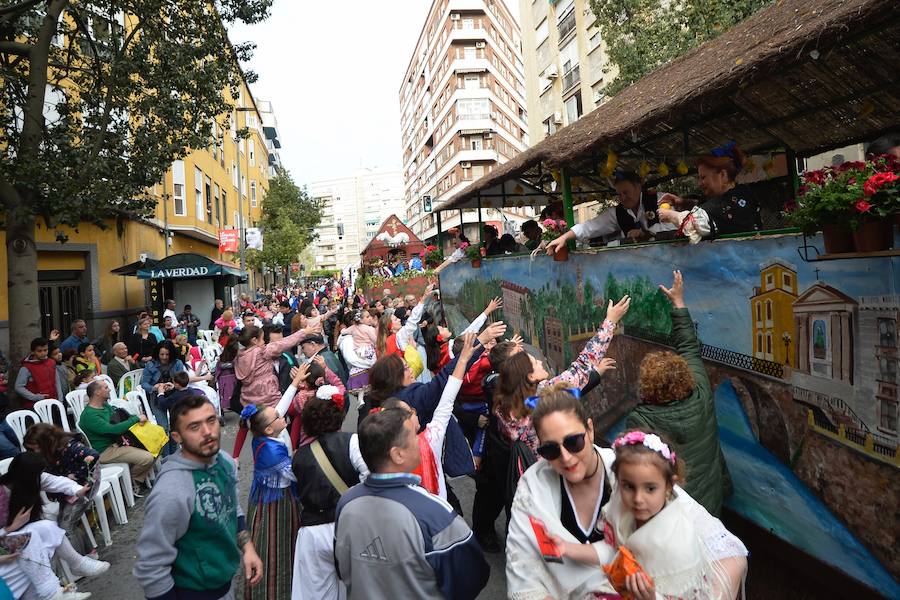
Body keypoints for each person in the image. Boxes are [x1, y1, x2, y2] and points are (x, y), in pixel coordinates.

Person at [472, 297, 627, 550]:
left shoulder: (506, 406)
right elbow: (582, 365)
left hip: (533, 480)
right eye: (533, 363)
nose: (540, 361)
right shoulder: (539, 400)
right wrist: (610, 322)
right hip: (555, 476)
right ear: (529, 377)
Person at [334, 408, 490, 599]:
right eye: (415, 436)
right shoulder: (434, 512)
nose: (420, 440)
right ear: (397, 454)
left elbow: (342, 567)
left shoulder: (346, 502)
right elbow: (471, 577)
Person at [134, 395, 263, 600]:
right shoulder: (171, 491)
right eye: (194, 427)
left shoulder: (225, 461)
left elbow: (232, 508)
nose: (207, 432)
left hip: (225, 586)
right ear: (177, 437)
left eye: (211, 421)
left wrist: (247, 548)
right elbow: (152, 567)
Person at [626, 271, 731, 516]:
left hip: (672, 512)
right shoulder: (702, 392)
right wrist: (679, 303)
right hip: (710, 504)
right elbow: (689, 347)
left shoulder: (641, 420)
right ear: (686, 376)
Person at [599, 430, 747, 600]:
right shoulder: (622, 510)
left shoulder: (680, 547)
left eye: (650, 489)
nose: (638, 499)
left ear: (669, 486)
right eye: (629, 487)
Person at [505, 386, 619, 599]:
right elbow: (522, 569)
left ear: (590, 430)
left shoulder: (629, 474)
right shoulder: (532, 490)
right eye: (550, 450)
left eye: (573, 442)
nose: (566, 458)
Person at [374, 333, 475, 501]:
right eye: (410, 412)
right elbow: (447, 389)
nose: (411, 370)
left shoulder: (387, 406)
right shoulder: (427, 439)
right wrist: (465, 357)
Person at [0, 453, 109, 600]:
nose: (40, 477)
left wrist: (77, 490)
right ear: (27, 475)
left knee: (47, 526)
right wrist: (10, 528)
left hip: (13, 536)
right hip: (5, 540)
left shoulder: (29, 480)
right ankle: (52, 593)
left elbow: (55, 482)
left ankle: (77, 563)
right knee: (30, 536)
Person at [290, 395, 366, 600]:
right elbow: (369, 477)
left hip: (312, 534)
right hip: (348, 527)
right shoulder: (352, 441)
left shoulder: (299, 456)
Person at [241, 401, 300, 600]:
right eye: (277, 416)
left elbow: (277, 412)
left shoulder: (263, 438)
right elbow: (295, 475)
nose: (281, 415)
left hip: (266, 499)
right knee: (275, 551)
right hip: (276, 504)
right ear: (268, 428)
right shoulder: (272, 452)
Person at [545, 171, 678, 256]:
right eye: (619, 194)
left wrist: (645, 233)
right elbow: (589, 227)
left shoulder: (660, 200)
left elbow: (674, 228)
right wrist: (563, 238)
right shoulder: (617, 212)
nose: (623, 197)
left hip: (671, 258)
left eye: (626, 192)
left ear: (638, 187)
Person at [232, 324, 311, 461]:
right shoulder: (262, 352)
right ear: (255, 341)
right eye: (265, 341)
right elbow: (285, 343)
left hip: (252, 403)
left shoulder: (240, 357)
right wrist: (304, 332)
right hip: (271, 401)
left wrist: (235, 456)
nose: (277, 345)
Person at [22, 424, 100, 553]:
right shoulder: (47, 452)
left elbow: (93, 456)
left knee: (66, 526)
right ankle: (90, 552)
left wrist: (76, 475)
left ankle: (81, 561)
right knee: (64, 523)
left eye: (35, 448)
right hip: (66, 490)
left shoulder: (70, 446)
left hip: (83, 487)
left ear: (46, 442)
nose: (34, 452)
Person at [660, 142, 762, 236]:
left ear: (723, 175)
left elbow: (695, 223)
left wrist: (670, 215)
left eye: (703, 177)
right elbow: (710, 207)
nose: (700, 184)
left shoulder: (733, 201)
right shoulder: (739, 195)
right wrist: (682, 202)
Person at [78, 380, 155, 495]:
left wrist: (135, 417)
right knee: (148, 457)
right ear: (97, 393)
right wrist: (136, 419)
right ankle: (133, 480)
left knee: (156, 445)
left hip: (118, 442)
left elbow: (119, 418)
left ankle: (132, 477)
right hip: (105, 451)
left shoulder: (104, 405)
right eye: (106, 387)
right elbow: (113, 430)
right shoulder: (90, 415)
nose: (109, 389)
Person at [286, 359, 345, 448]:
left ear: (305, 381)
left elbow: (290, 409)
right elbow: (340, 385)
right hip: (333, 439)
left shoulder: (301, 397)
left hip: (309, 442)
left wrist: (296, 383)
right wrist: (326, 369)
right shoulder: (332, 393)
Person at [15, 338, 58, 408]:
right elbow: (18, 387)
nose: (43, 353)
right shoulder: (26, 367)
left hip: (53, 402)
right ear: (33, 352)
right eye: (39, 351)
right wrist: (35, 397)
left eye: (45, 350)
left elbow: (56, 382)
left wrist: (60, 399)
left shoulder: (51, 362)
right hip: (35, 405)